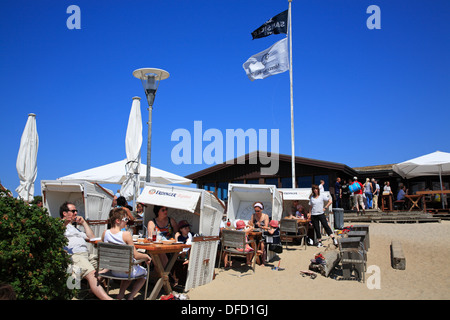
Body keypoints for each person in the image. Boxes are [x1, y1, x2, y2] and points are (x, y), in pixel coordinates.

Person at [60, 201, 114, 300]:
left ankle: (92, 289)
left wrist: (84, 223)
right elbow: (58, 233)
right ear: (64, 213)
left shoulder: (75, 228)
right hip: (76, 255)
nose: (76, 213)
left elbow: (92, 237)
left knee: (108, 263)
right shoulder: (60, 225)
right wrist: (66, 221)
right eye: (73, 211)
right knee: (92, 274)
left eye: (76, 211)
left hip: (87, 255)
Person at [101, 208, 151, 300]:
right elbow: (136, 255)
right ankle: (131, 297)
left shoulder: (105, 233)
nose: (127, 221)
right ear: (117, 221)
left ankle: (120, 295)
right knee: (144, 272)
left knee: (128, 265)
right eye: (125, 219)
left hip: (113, 271)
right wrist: (146, 256)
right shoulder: (126, 234)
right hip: (126, 271)